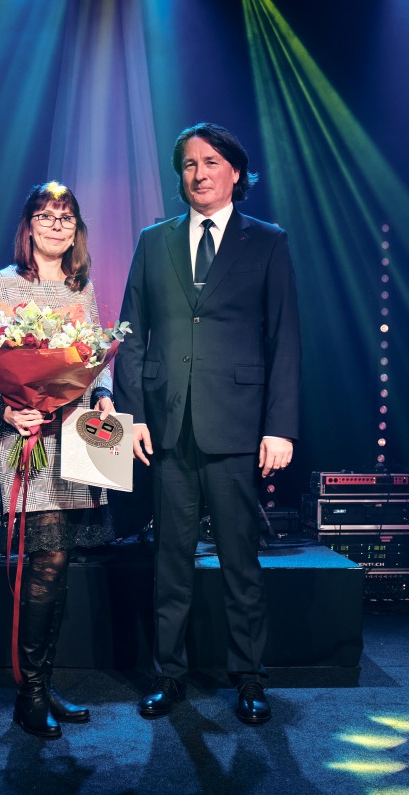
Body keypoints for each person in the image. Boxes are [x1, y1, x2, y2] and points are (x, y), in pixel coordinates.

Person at [114, 123, 301, 725]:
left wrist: (280, 427)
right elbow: (131, 336)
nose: (199, 173)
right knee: (170, 560)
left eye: (212, 161)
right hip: (168, 427)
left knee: (240, 562)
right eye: (190, 164)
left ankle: (249, 677)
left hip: (238, 426)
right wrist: (131, 417)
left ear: (235, 172)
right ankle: (169, 674)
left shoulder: (267, 241)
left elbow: (285, 339)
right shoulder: (153, 241)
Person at [0, 181, 117, 740]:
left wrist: (105, 396)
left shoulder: (82, 288)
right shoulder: (0, 285)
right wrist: (7, 411)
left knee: (61, 560)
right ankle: (28, 693)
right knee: (46, 560)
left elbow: (96, 359)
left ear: (76, 230)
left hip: (75, 434)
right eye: (46, 215)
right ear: (28, 225)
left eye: (66, 216)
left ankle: (43, 683)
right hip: (27, 435)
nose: (56, 224)